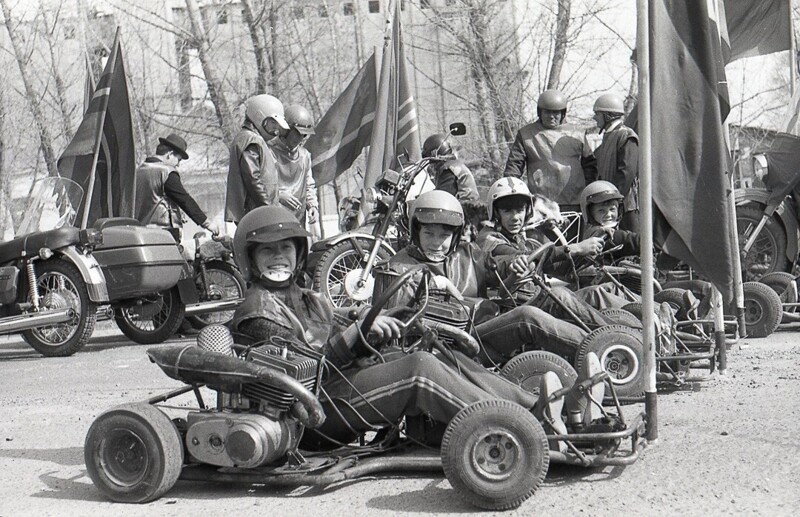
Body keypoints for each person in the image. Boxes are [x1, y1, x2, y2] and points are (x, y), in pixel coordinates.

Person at [230, 205, 600, 447]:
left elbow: (343, 322)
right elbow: (297, 375)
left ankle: (545, 408)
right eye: (267, 251)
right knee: (418, 372)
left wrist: (372, 321)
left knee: (432, 350)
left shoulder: (304, 297)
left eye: (286, 249)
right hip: (311, 417)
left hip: (335, 389)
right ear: (250, 260)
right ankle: (529, 430)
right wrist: (354, 339)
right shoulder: (258, 313)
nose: (279, 257)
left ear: (298, 254)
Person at [375, 190, 596, 365]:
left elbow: (496, 265)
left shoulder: (467, 254)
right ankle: (599, 352)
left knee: (555, 294)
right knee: (526, 316)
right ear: (416, 232)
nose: (436, 242)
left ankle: (610, 339)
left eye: (444, 235)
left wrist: (514, 264)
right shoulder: (400, 265)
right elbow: (396, 322)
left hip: (487, 326)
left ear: (454, 236)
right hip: (455, 342)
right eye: (428, 234)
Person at [477, 177, 615, 329]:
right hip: (511, 311)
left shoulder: (522, 239)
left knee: (598, 292)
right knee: (560, 294)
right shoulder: (488, 238)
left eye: (520, 210)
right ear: (496, 213)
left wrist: (593, 243)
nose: (515, 217)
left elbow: (561, 268)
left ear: (527, 211)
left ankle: (628, 332)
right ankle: (614, 337)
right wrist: (576, 248)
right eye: (507, 211)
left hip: (535, 303)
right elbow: (519, 256)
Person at [504, 89, 597, 212]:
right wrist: (511, 192)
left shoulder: (576, 133)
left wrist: (588, 192)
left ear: (562, 114)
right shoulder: (526, 134)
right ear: (540, 112)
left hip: (575, 200)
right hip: (542, 203)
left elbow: (590, 165)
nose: (551, 116)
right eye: (547, 112)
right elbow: (514, 166)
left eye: (556, 113)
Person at [135, 133, 220, 241]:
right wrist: (207, 223)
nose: (178, 165)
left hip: (141, 233)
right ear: (169, 154)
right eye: (178, 160)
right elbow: (185, 200)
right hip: (163, 233)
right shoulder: (166, 171)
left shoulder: (138, 172)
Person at [225, 94, 289, 225]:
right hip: (255, 212)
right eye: (273, 123)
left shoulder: (251, 138)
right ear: (259, 117)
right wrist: (268, 208)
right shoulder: (251, 139)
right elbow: (252, 178)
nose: (276, 129)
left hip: (257, 211)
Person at [591, 93, 640, 232]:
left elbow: (627, 172)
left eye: (598, 114)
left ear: (608, 115)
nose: (595, 118)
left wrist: (615, 199)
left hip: (625, 204)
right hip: (610, 204)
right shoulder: (609, 136)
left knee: (634, 243)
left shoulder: (626, 135)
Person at [268, 104, 320, 228]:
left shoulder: (304, 156)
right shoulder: (268, 151)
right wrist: (278, 195)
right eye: (298, 133)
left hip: (298, 222)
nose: (301, 138)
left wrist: (312, 205)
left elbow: (309, 185)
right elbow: (257, 185)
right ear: (285, 129)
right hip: (273, 220)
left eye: (304, 135)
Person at [422, 133, 479, 203]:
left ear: (435, 153)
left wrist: (423, 199)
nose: (430, 162)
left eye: (430, 157)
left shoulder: (448, 169)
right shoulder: (452, 164)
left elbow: (442, 196)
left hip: (464, 208)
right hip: (465, 206)